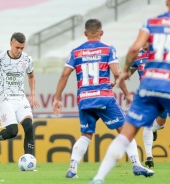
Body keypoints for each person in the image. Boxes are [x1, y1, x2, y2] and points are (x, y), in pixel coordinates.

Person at [90, 0, 170, 183]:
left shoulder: (152, 22)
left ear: (166, 2)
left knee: (126, 133)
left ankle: (99, 178)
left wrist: (124, 71)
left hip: (148, 85)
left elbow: (133, 49)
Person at [52, 18, 154, 179]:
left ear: (85, 33)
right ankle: (136, 165)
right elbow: (116, 74)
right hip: (104, 98)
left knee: (86, 135)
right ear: (102, 33)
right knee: (125, 130)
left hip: (84, 99)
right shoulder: (108, 49)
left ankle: (72, 169)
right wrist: (127, 94)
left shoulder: (76, 51)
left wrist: (57, 98)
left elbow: (65, 74)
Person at [0, 32, 40, 156]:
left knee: (29, 127)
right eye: (17, 47)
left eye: (22, 48)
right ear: (11, 43)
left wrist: (32, 93)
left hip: (21, 98)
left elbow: (31, 76)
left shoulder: (27, 59)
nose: (19, 51)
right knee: (12, 131)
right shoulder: (0, 58)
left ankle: (29, 161)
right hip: (5, 99)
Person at [129, 41, 167, 168]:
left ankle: (154, 130)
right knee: (148, 125)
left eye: (146, 41)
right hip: (145, 93)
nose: (143, 44)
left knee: (161, 123)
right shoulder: (138, 56)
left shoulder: (161, 54)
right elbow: (128, 73)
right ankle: (149, 157)